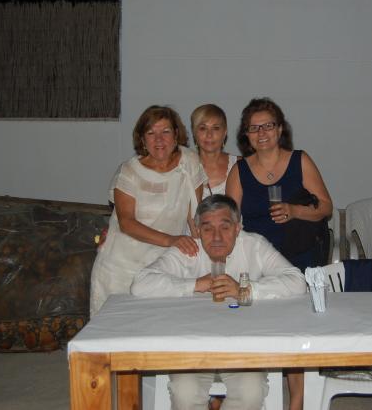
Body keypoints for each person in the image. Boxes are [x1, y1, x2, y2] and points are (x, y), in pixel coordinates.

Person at [131, 194, 305, 410]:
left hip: (244, 347)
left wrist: (245, 290)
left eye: (225, 227)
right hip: (192, 346)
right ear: (197, 230)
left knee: (250, 392)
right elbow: (141, 283)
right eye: (207, 229)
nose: (216, 237)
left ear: (237, 228)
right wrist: (195, 284)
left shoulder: (254, 245)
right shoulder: (189, 250)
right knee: (185, 393)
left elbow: (297, 281)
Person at [225, 97, 333, 410]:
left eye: (268, 126)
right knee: (261, 326)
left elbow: (326, 206)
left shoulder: (300, 161)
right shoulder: (240, 171)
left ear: (280, 129)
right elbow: (230, 220)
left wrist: (295, 210)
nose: (262, 133)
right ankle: (256, 390)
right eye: (254, 128)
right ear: (246, 135)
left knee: (297, 329)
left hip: (300, 254)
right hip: (259, 261)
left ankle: (297, 400)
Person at [89, 105, 206, 316]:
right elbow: (127, 223)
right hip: (120, 269)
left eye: (165, 131)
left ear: (176, 134)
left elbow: (194, 216)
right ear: (142, 139)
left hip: (164, 268)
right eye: (151, 133)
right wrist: (172, 240)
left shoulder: (190, 161)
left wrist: (206, 253)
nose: (159, 139)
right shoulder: (128, 171)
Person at [190, 104, 239, 198]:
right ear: (194, 132)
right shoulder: (183, 167)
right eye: (203, 128)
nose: (209, 135)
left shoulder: (240, 165)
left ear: (225, 132)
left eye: (216, 128)